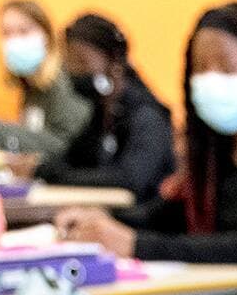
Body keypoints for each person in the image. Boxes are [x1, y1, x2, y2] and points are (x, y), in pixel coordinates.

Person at [55, 1, 237, 295]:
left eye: (226, 67)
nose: (211, 78)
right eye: (200, 68)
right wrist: (101, 219)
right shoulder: (216, 151)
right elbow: (165, 216)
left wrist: (138, 245)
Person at [20, 13, 174, 202]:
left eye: (81, 62)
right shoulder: (104, 112)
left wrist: (52, 174)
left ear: (114, 63)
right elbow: (73, 158)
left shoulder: (147, 115)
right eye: (68, 62)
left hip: (143, 216)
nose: (73, 71)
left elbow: (130, 179)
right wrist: (38, 168)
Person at [0, 0, 89, 158]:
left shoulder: (62, 83)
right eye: (6, 33)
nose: (14, 41)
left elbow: (68, 146)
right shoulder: (32, 83)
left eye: (24, 31)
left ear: (46, 34)